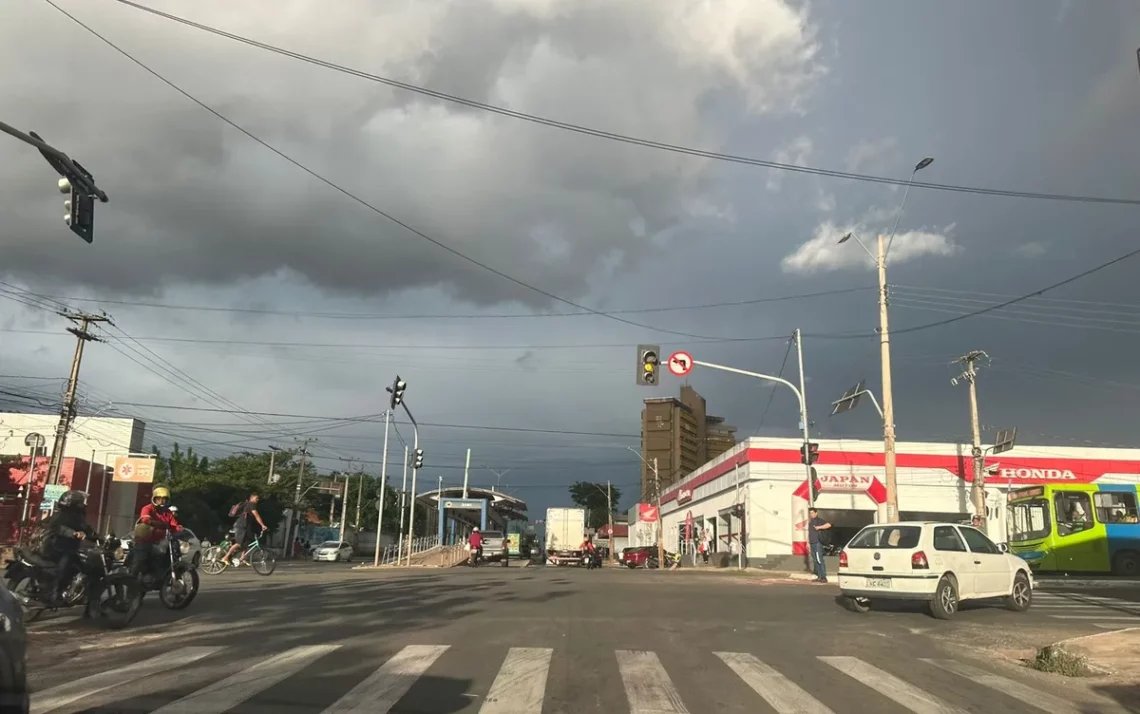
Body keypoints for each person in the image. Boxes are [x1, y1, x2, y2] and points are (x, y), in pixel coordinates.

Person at [39, 490, 96, 605]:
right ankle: (54, 595)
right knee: (63, 567)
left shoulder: (77, 516)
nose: (83, 504)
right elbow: (58, 528)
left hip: (71, 547)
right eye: (80, 502)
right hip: (56, 547)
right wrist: (73, 533)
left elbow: (86, 528)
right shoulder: (60, 515)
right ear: (73, 503)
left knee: (82, 566)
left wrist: (100, 538)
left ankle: (77, 593)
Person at [130, 486, 183, 580]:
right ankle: (131, 583)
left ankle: (164, 576)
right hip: (146, 540)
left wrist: (179, 529)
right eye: (159, 499)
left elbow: (174, 525)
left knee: (172, 554)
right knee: (140, 560)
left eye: (164, 499)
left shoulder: (168, 513)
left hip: (161, 542)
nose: (161, 501)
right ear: (154, 499)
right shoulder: (147, 508)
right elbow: (145, 519)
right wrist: (158, 524)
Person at [223, 493, 267, 567]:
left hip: (245, 526)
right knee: (239, 543)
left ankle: (242, 558)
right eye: (257, 498)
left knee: (247, 542)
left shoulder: (249, 505)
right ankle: (225, 557)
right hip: (240, 525)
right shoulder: (251, 504)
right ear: (252, 498)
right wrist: (262, 525)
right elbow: (256, 515)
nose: (258, 500)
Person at [807, 508, 832, 583]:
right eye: (810, 513)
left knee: (819, 559)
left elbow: (829, 525)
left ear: (816, 513)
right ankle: (819, 576)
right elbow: (810, 533)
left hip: (818, 543)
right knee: (815, 560)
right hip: (812, 543)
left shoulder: (819, 520)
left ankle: (823, 577)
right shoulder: (810, 522)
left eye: (812, 513)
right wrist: (808, 542)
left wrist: (819, 527)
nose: (811, 514)